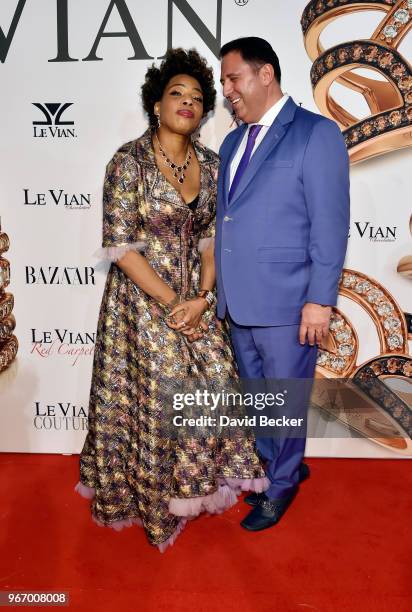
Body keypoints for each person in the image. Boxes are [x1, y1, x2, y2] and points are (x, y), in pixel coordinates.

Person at [75, 48, 268, 552]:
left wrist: (202, 297)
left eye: (197, 97)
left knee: (215, 388)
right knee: (158, 394)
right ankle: (150, 501)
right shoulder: (128, 162)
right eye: (176, 93)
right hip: (139, 302)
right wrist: (172, 303)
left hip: (195, 296)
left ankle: (193, 489)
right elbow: (120, 246)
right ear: (156, 104)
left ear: (204, 112)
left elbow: (210, 239)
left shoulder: (212, 163)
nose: (187, 102)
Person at [217, 37, 350, 531]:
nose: (227, 89)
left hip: (290, 300)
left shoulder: (316, 134)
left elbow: (329, 224)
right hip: (238, 301)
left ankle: (282, 484)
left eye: (234, 78)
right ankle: (280, 466)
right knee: (260, 401)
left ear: (265, 74)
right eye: (224, 81)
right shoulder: (232, 141)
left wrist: (319, 300)